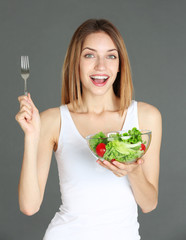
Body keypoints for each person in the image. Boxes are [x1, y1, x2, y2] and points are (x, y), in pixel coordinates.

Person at [15, 19, 162, 240]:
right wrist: (31, 136)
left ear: (120, 63)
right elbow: (29, 206)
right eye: (89, 55)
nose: (101, 66)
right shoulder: (52, 120)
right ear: (76, 62)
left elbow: (149, 204)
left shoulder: (146, 117)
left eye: (111, 56)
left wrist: (134, 171)